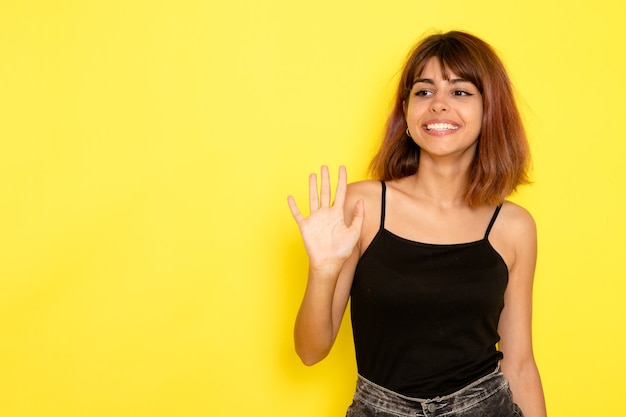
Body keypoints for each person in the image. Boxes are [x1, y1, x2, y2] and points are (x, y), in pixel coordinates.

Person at [287, 31, 547, 417]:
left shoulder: (513, 226)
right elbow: (311, 351)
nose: (439, 105)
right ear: (406, 112)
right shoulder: (362, 207)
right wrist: (322, 271)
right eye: (424, 92)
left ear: (489, 110)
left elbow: (520, 364)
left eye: (460, 92)